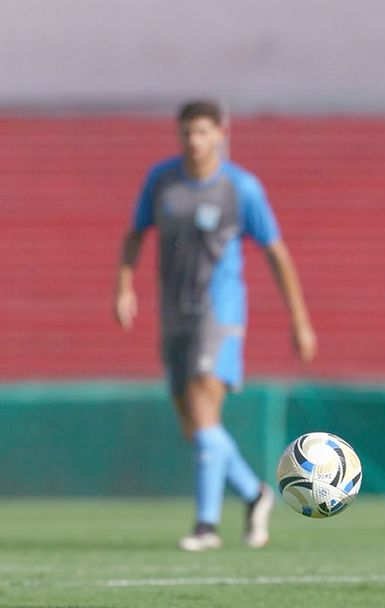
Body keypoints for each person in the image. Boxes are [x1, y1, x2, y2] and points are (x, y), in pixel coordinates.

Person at [113, 100, 317, 551]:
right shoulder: (162, 180)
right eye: (187, 133)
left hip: (219, 312)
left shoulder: (240, 188)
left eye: (203, 132)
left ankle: (206, 525)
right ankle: (254, 493)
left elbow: (275, 252)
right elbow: (135, 233)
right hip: (174, 314)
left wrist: (299, 321)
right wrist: (124, 287)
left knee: (205, 409)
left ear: (221, 134)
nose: (194, 141)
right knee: (194, 426)